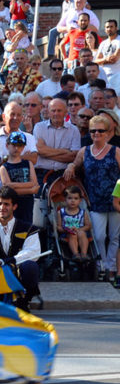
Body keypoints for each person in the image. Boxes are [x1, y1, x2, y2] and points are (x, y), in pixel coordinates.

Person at [64, 114, 120, 281]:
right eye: (93, 131)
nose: (96, 134)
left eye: (100, 131)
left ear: (108, 132)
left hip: (114, 200)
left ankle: (110, 267)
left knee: (115, 236)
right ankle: (101, 263)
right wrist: (70, 166)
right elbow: (75, 163)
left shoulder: (116, 151)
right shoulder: (85, 151)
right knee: (99, 236)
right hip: (94, 201)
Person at [0, 187, 41, 311]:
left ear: (14, 206)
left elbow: (33, 253)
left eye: (6, 204)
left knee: (30, 267)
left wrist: (6, 262)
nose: (2, 208)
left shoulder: (29, 229)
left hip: (18, 274)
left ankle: (24, 301)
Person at [0, 131, 39, 223]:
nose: (17, 148)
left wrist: (13, 185)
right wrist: (30, 189)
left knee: (26, 228)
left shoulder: (28, 163)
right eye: (14, 145)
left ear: (24, 147)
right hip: (11, 204)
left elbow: (35, 184)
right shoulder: (4, 167)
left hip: (27, 203)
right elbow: (8, 188)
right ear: (7, 145)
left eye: (20, 145)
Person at [56, 185, 93, 262]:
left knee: (82, 233)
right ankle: (75, 254)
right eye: (69, 198)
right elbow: (58, 227)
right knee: (72, 234)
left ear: (80, 201)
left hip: (80, 232)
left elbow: (88, 226)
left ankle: (84, 254)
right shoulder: (61, 212)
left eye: (76, 198)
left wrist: (79, 229)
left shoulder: (83, 212)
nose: (73, 201)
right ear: (65, 200)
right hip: (67, 233)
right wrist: (66, 230)